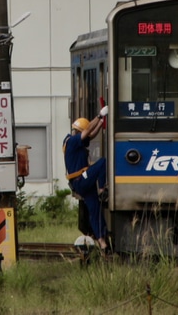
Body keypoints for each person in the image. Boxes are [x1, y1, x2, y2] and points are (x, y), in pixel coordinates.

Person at [64, 105, 109, 251]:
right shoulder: (72, 141)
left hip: (82, 182)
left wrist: (101, 123)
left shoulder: (77, 142)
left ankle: (102, 242)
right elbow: (88, 131)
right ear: (79, 132)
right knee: (102, 162)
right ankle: (102, 189)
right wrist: (99, 116)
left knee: (95, 210)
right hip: (81, 180)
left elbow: (91, 134)